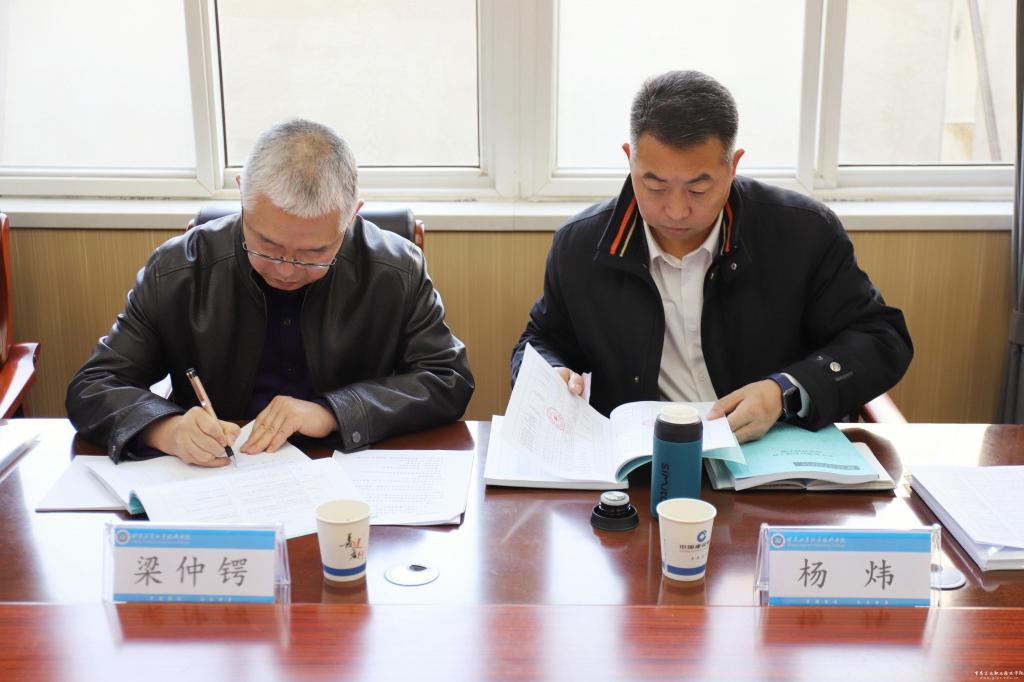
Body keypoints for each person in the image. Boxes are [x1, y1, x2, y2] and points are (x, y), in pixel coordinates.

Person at [512, 70, 912, 443]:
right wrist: (551, 374)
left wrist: (785, 391)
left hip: (767, 451)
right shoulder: (580, 245)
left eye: (698, 189)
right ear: (630, 160)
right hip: (639, 460)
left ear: (733, 166)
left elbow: (882, 338)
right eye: (654, 185)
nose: (676, 210)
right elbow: (542, 340)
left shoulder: (803, 232)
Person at [68, 119, 474, 466]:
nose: (286, 270)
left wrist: (332, 412)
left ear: (352, 216)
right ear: (242, 195)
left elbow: (448, 379)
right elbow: (94, 385)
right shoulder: (179, 270)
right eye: (266, 245)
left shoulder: (395, 269)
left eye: (314, 253)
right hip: (219, 474)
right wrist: (166, 429)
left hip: (347, 475)